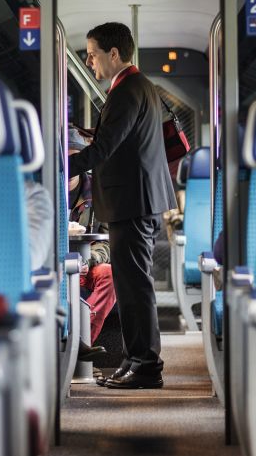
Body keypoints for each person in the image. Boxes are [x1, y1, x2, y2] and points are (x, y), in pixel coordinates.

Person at [68, 22, 177, 389]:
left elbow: (105, 149)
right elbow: (116, 140)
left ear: (113, 54)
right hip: (136, 199)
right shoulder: (135, 86)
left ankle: (146, 365)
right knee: (132, 285)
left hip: (133, 202)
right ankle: (135, 359)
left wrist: (60, 166)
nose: (89, 60)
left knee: (135, 287)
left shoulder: (127, 89)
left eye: (93, 53)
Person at [67, 127, 116, 359]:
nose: (69, 164)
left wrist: (89, 259)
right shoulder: (41, 191)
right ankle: (73, 342)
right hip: (55, 265)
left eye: (73, 157)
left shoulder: (97, 191)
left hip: (87, 264)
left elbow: (108, 239)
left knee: (109, 274)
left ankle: (82, 339)